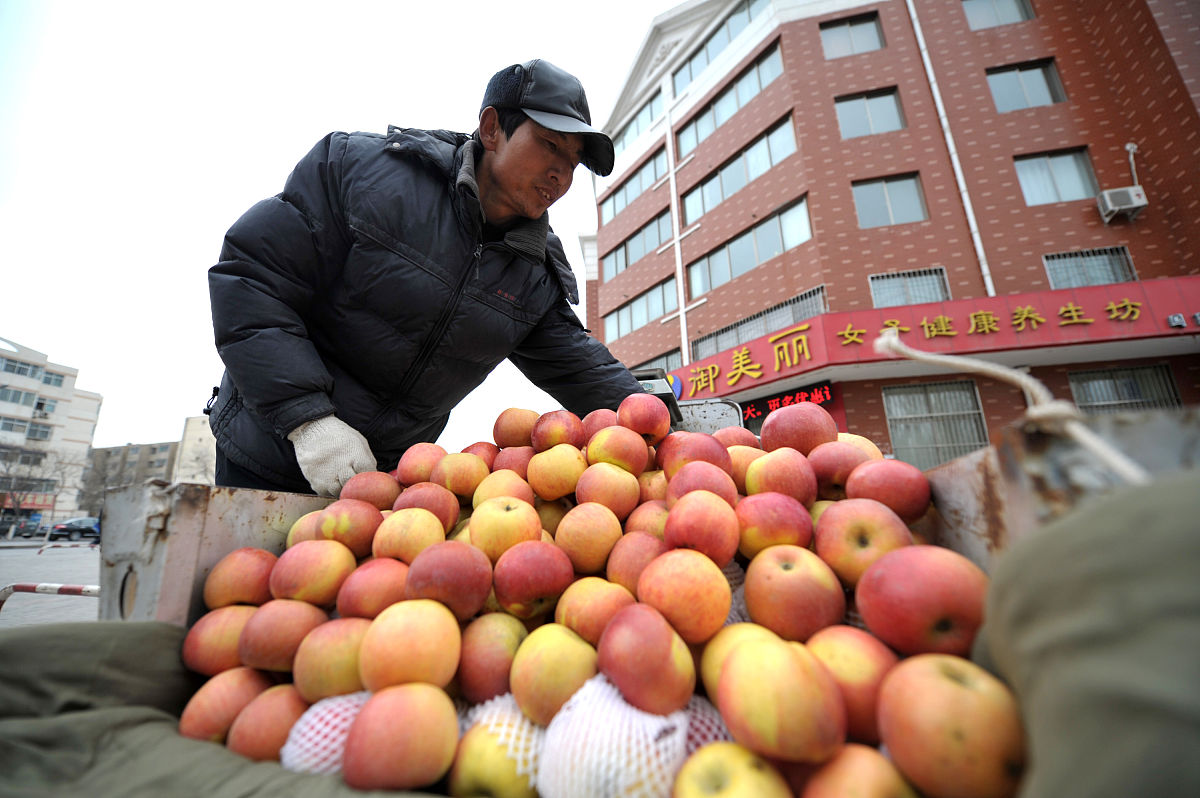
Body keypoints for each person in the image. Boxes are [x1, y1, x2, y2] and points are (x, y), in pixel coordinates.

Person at [206, 59, 644, 497]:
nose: (561, 174)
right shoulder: (362, 174)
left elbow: (582, 367)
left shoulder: (534, 271)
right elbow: (252, 278)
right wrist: (307, 420)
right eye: (550, 144)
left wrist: (666, 419)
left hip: (386, 485)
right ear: (491, 128)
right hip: (262, 453)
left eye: (573, 162)